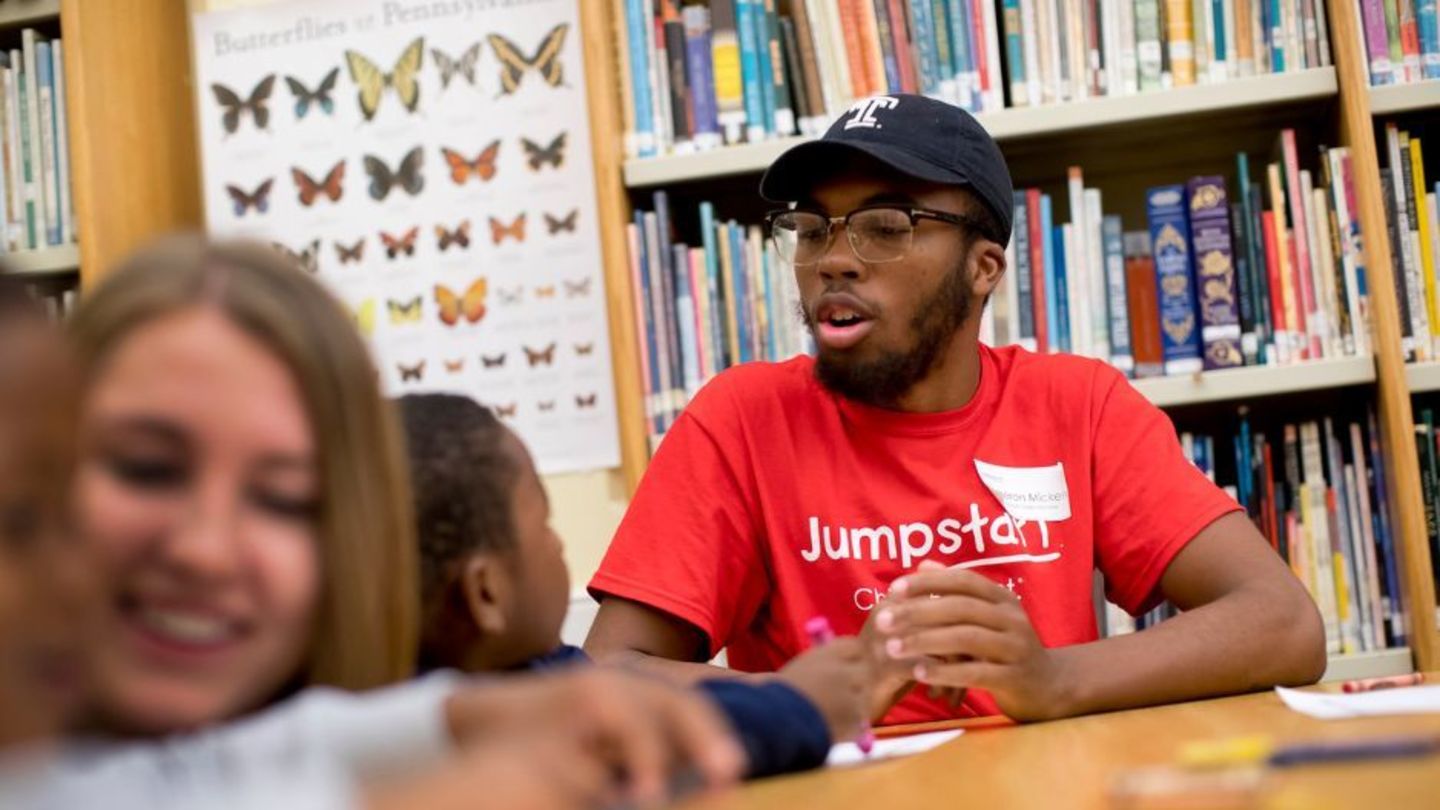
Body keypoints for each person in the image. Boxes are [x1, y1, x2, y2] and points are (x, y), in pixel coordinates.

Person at [585, 94, 1327, 726]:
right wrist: (812, 698)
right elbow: (607, 675)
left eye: (885, 226)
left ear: (984, 268)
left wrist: (1054, 680)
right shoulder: (742, 419)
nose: (833, 259)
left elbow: (1285, 624)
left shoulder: (1077, 404)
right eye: (812, 228)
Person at [37, 237, 743, 807]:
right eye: (145, 468)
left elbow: (292, 749)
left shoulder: (250, 739)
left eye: (286, 498)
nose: (206, 549)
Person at [397, 392, 871, 778]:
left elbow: (646, 699)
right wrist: (801, 705)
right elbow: (678, 731)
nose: (559, 544)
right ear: (486, 594)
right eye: (545, 524)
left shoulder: (543, 665)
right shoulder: (490, 732)